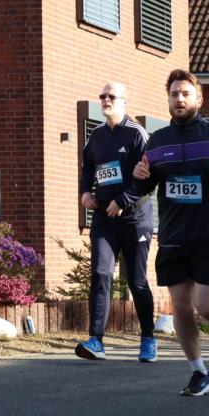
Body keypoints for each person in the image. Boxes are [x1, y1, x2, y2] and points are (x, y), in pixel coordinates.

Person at [130, 70, 209, 396]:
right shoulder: (158, 141)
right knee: (181, 307)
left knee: (207, 306)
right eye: (174, 94)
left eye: (185, 93)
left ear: (198, 99)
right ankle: (200, 372)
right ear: (168, 100)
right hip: (173, 236)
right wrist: (140, 176)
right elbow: (143, 184)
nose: (179, 99)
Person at [76, 82, 157, 363]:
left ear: (124, 102)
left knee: (136, 282)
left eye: (111, 96)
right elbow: (87, 166)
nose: (106, 100)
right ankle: (96, 340)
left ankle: (148, 338)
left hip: (135, 219)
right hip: (104, 219)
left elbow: (148, 178)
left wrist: (123, 201)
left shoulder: (137, 135)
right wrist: (85, 191)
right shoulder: (96, 135)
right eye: (102, 96)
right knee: (100, 274)